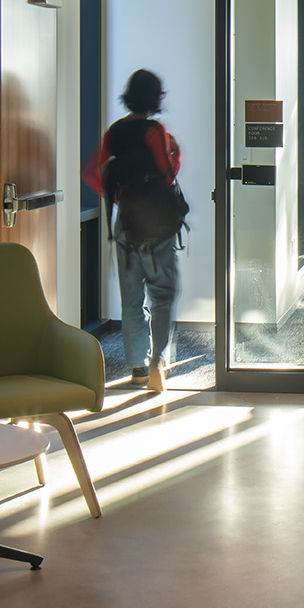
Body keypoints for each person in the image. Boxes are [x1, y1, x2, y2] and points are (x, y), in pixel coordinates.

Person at [83, 69, 183, 393]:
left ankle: (137, 369)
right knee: (162, 296)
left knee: (131, 300)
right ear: (155, 99)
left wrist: (117, 195)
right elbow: (167, 175)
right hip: (157, 226)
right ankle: (158, 361)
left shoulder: (114, 133)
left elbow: (90, 173)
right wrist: (175, 153)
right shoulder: (155, 132)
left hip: (124, 223)